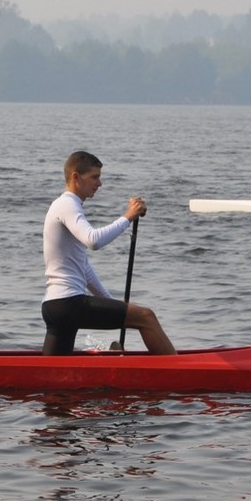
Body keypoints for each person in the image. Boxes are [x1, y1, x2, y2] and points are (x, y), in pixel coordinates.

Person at [41, 150, 175, 356]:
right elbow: (93, 241)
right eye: (94, 177)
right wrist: (128, 217)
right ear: (76, 177)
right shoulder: (67, 204)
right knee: (146, 317)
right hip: (69, 303)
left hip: (54, 307)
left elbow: (83, 269)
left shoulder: (63, 206)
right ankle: (175, 371)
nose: (100, 183)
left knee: (50, 373)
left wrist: (114, 305)